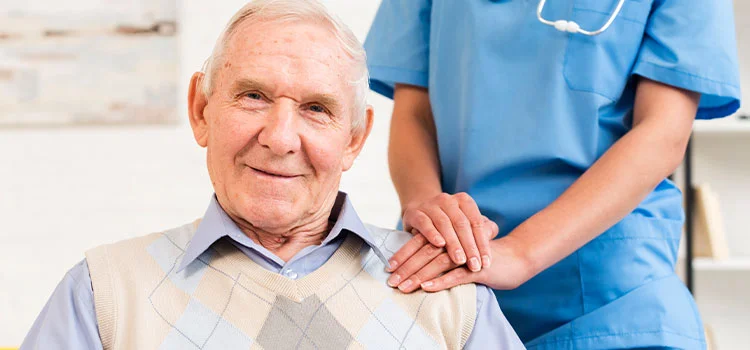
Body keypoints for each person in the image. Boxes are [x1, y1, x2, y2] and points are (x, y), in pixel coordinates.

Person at [20, 1, 525, 349]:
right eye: (254, 96)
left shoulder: (448, 291)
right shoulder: (103, 290)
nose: (280, 137)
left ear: (354, 139)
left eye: (316, 108)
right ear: (201, 110)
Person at [364, 0, 741, 348]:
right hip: (451, 274)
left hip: (604, 292)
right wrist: (427, 210)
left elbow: (663, 132)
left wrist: (519, 252)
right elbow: (414, 111)